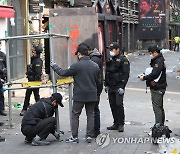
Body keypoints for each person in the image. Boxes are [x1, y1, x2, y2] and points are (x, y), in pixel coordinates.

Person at [50, 44, 100, 143]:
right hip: (92, 94)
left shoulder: (77, 66)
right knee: (90, 115)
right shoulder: (95, 66)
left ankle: (75, 136)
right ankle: (89, 136)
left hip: (79, 95)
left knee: (75, 115)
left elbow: (63, 73)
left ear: (79, 54)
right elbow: (98, 81)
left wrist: (54, 66)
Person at [105, 42, 130, 132]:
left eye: (112, 50)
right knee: (112, 104)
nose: (110, 51)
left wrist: (122, 86)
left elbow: (126, 74)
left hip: (119, 85)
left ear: (118, 50)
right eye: (110, 50)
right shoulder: (110, 59)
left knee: (119, 104)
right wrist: (106, 84)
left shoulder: (124, 60)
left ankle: (121, 124)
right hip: (111, 85)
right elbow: (107, 72)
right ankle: (115, 123)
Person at [140, 44, 167, 125]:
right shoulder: (158, 60)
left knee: (157, 107)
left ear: (155, 52)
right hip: (159, 86)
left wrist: (144, 77)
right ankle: (161, 125)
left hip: (157, 87)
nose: (150, 55)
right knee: (159, 107)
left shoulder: (158, 61)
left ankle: (158, 126)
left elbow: (155, 73)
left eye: (150, 53)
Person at [85, 44, 103, 137]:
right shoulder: (95, 58)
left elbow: (94, 75)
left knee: (94, 110)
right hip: (97, 87)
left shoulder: (94, 59)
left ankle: (95, 130)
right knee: (94, 109)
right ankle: (95, 129)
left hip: (95, 87)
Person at [20, 44, 43, 116]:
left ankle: (41, 110)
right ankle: (25, 108)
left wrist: (35, 82)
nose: (32, 50)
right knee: (28, 95)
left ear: (36, 51)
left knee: (36, 96)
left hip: (34, 82)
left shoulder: (38, 61)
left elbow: (38, 73)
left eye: (34, 50)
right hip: (31, 81)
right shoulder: (34, 59)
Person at [0, 41, 7, 116]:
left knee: (1, 95)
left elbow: (6, 66)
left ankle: (1, 110)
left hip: (1, 78)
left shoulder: (3, 55)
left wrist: (6, 77)